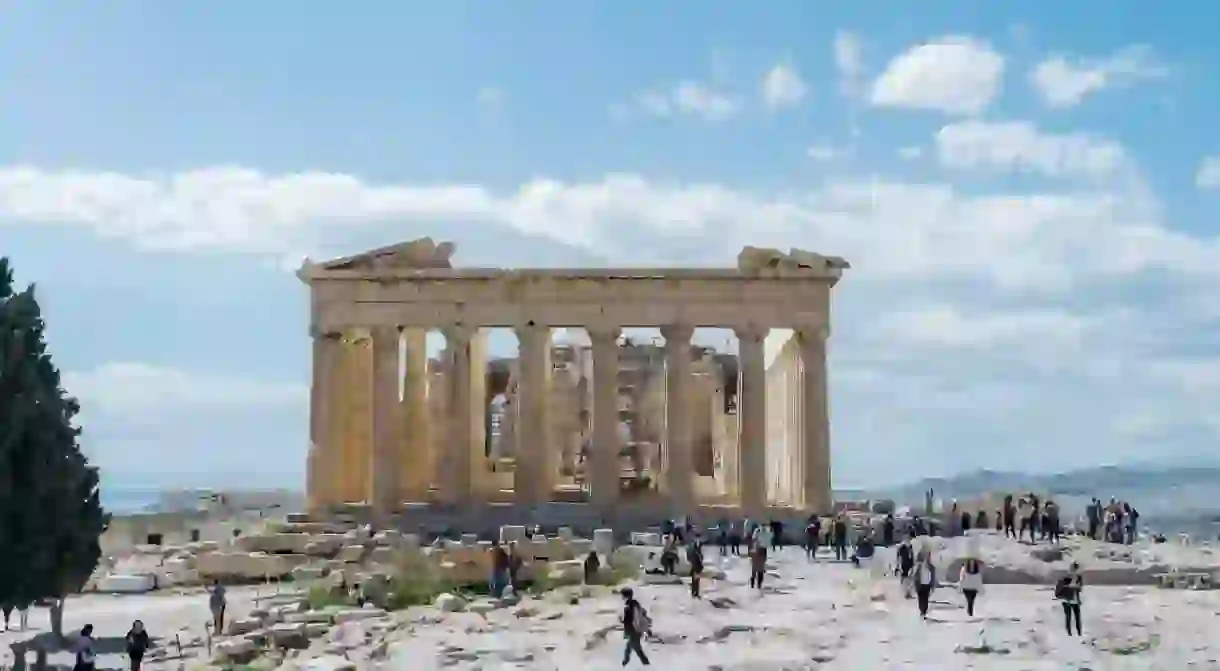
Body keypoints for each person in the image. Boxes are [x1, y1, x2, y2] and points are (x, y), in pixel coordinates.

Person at [620, 587, 651, 666]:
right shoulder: (632, 604)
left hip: (634, 630)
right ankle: (626, 662)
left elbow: (635, 617)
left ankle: (646, 664)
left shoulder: (631, 605)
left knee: (635, 648)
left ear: (625, 595)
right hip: (633, 630)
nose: (621, 597)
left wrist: (639, 629)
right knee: (631, 647)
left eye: (622, 595)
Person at [1056, 562, 1084, 636]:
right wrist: (1071, 586)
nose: (1075, 570)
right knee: (1068, 617)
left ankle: (1079, 632)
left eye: (1076, 569)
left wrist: (1077, 587)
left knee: (1077, 617)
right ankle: (1069, 633)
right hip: (1067, 600)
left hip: (1075, 600)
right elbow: (1063, 586)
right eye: (1074, 568)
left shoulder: (1079, 577)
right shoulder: (1066, 577)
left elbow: (1080, 589)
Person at [913, 549, 937, 620]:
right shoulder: (919, 566)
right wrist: (914, 584)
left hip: (927, 585)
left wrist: (933, 586)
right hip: (920, 585)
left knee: (926, 599)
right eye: (926, 556)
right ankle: (922, 611)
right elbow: (915, 575)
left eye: (928, 556)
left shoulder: (932, 567)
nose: (927, 558)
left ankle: (924, 612)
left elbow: (933, 577)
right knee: (921, 599)